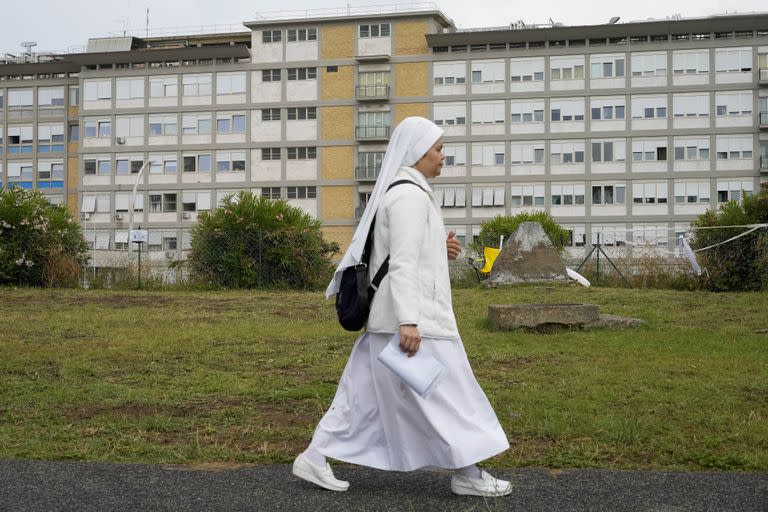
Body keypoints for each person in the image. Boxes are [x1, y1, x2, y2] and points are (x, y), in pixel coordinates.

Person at [292, 117, 511, 497]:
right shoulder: (409, 195)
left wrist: (439, 249)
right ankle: (468, 473)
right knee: (450, 396)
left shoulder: (404, 192)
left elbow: (396, 254)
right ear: (417, 152)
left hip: (389, 323)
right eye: (438, 149)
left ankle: (315, 456)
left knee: (358, 399)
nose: (443, 156)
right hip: (412, 323)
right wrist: (409, 320)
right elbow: (404, 263)